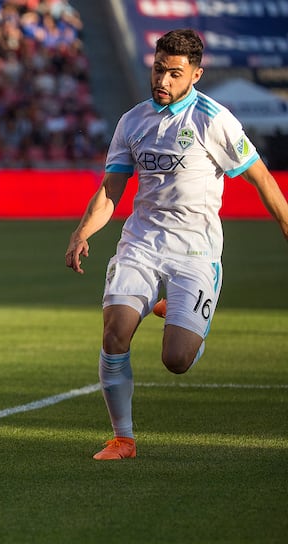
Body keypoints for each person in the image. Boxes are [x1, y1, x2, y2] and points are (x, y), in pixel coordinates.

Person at [64, 29, 288, 460]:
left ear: (195, 75)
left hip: (196, 252)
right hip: (141, 243)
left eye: (174, 73)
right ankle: (123, 439)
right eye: (158, 70)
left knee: (177, 359)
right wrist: (81, 233)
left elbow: (261, 177)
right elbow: (111, 189)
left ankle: (187, 319)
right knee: (115, 332)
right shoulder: (132, 121)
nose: (162, 81)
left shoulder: (214, 119)